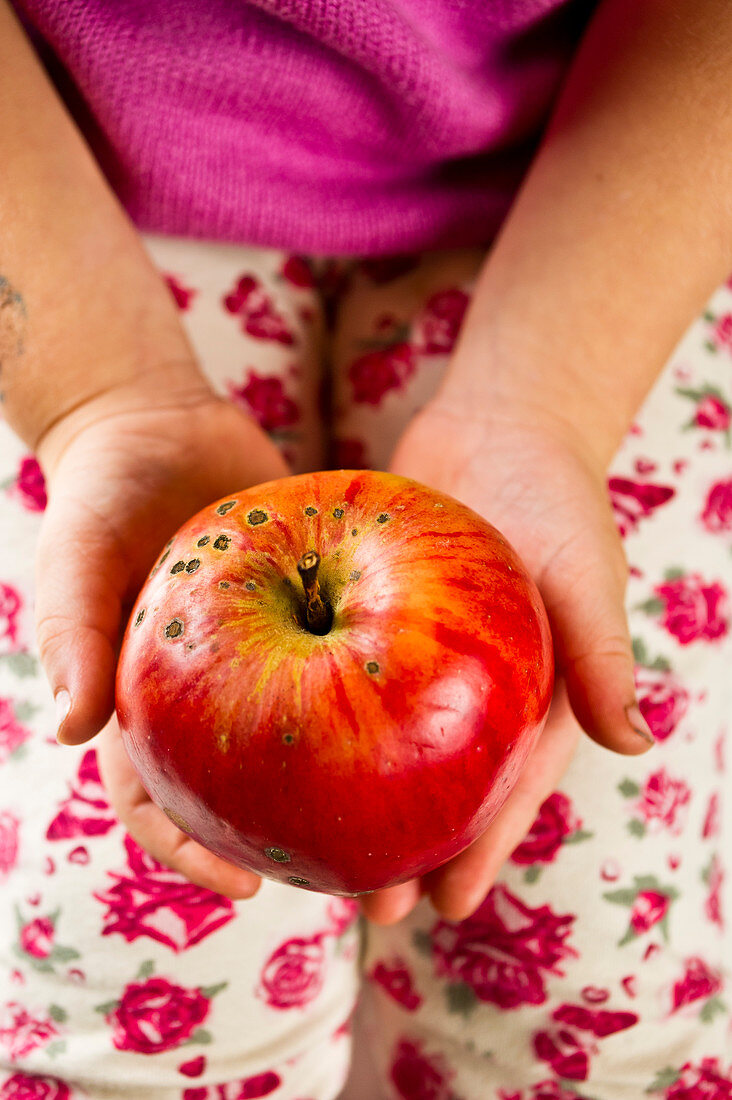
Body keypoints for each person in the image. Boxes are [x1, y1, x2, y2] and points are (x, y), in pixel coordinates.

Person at [0, 0, 730, 1096]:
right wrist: (104, 401)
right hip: (69, 204)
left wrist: (543, 408)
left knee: (596, 966)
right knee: (115, 984)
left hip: (599, 196)